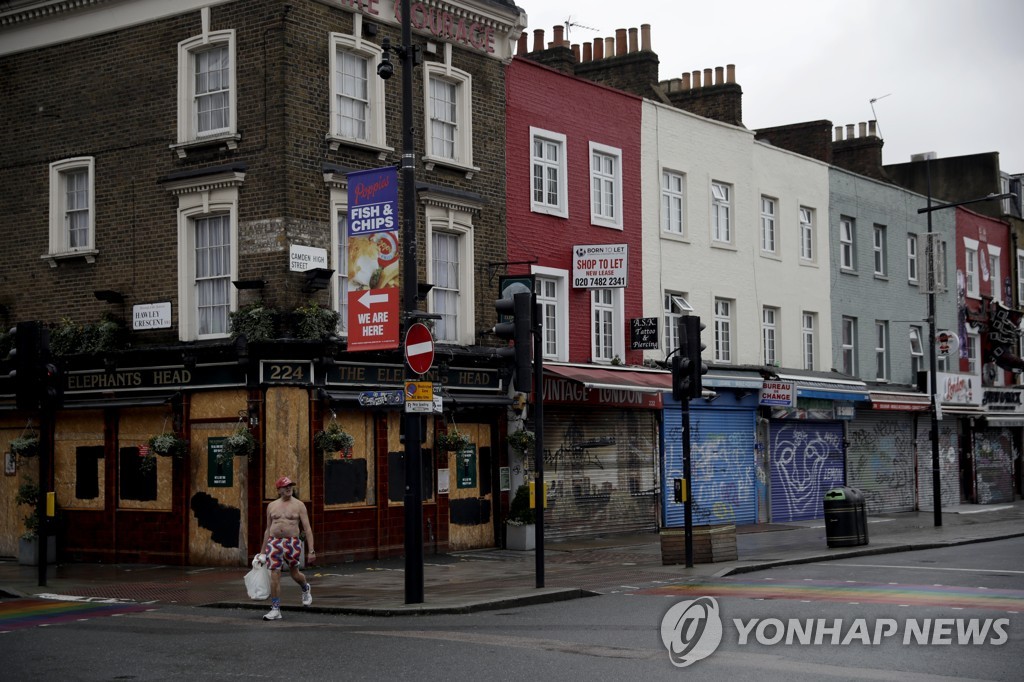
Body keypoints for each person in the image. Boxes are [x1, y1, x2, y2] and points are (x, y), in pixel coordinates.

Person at [261, 475, 315, 621]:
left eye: (290, 485)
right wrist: (261, 553)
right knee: (275, 575)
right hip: (274, 542)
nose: (289, 488)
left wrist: (311, 551)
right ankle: (275, 609)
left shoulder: (299, 505)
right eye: (285, 486)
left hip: (292, 542)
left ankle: (305, 587)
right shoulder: (271, 506)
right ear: (279, 490)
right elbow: (267, 529)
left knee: (294, 573)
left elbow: (308, 528)